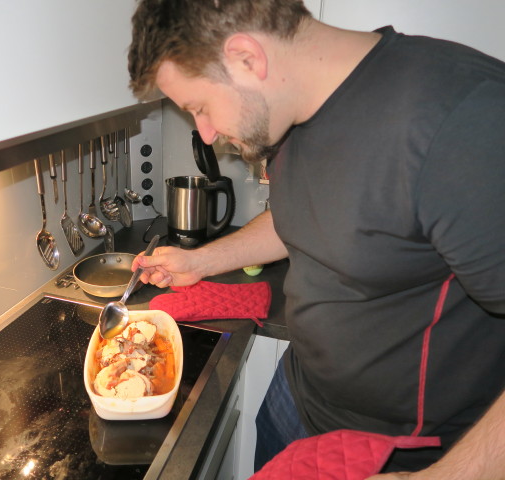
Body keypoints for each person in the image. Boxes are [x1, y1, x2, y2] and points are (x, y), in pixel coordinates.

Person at [127, 1, 505, 478]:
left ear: (247, 58)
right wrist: (202, 261)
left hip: (404, 455)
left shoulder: (465, 120)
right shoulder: (287, 112)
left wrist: (444, 476)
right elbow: (307, 212)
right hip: (295, 399)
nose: (206, 132)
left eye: (199, 108)